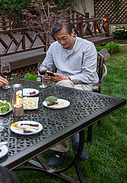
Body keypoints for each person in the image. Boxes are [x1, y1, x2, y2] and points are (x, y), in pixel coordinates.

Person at [40, 19, 98, 167]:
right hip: (60, 86)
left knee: (65, 90)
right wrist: (45, 74)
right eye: (58, 39)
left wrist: (66, 78)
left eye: (64, 38)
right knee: (64, 88)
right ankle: (76, 136)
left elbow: (90, 76)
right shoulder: (54, 47)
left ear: (73, 33)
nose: (61, 42)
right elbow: (44, 66)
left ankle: (59, 150)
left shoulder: (87, 47)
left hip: (82, 86)